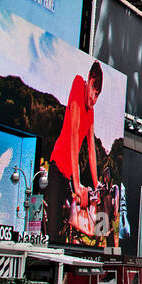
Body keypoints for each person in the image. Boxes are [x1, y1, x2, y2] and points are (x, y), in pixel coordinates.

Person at [46, 61, 105, 244]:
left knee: (69, 227)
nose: (93, 100)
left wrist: (96, 186)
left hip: (69, 175)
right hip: (58, 167)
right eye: (94, 93)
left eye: (97, 96)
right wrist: (78, 184)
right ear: (90, 79)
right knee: (54, 232)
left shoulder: (91, 111)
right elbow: (73, 135)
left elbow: (91, 150)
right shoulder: (78, 85)